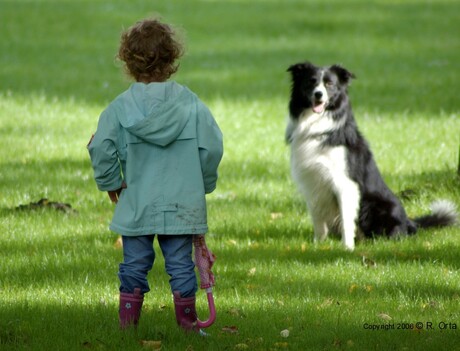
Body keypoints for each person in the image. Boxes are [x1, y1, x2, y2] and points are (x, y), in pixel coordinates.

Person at [87, 18, 223, 333]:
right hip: (181, 202)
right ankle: (188, 325)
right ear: (172, 58)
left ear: (127, 61)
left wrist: (110, 182)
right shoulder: (191, 104)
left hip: (137, 201)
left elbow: (101, 146)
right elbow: (212, 146)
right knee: (180, 263)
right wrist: (202, 182)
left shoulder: (119, 109)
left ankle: (128, 325)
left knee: (134, 263)